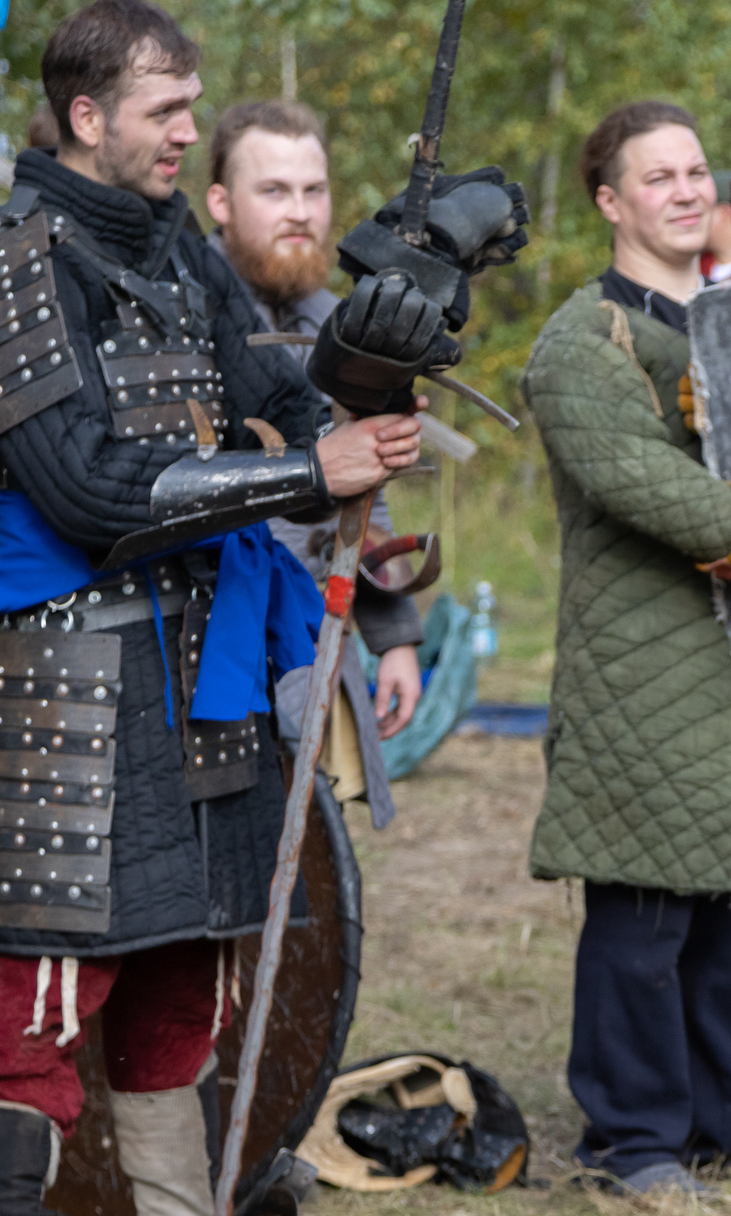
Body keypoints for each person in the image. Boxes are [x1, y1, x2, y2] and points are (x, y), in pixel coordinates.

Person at [0, 0, 495, 1216]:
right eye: (166, 111)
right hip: (59, 680)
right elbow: (90, 488)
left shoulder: (175, 252)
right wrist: (309, 475)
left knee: (183, 974)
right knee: (36, 995)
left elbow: (270, 394)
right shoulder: (5, 266)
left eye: (191, 108)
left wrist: (369, 359)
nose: (188, 131)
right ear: (85, 116)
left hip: (192, 667)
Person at [519, 100, 731, 1200]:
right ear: (611, 201)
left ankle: (724, 1120)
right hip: (644, 666)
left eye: (696, 169)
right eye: (656, 177)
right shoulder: (581, 342)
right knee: (644, 912)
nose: (685, 191)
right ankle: (635, 1139)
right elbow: (638, 481)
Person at [202, 97, 422, 740]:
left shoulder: (343, 323)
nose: (299, 211)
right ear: (220, 202)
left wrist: (396, 636)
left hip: (319, 633)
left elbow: (368, 498)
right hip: (209, 636)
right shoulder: (179, 313)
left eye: (313, 190)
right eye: (273, 190)